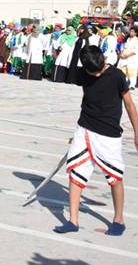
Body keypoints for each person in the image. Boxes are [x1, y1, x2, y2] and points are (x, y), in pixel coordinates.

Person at [54, 46, 138, 236]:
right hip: (84, 129)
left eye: (100, 69)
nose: (98, 73)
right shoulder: (83, 73)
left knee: (115, 177)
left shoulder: (116, 75)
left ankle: (119, 219)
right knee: (76, 173)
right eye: (94, 71)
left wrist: (137, 132)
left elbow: (129, 104)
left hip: (108, 135)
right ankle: (73, 220)